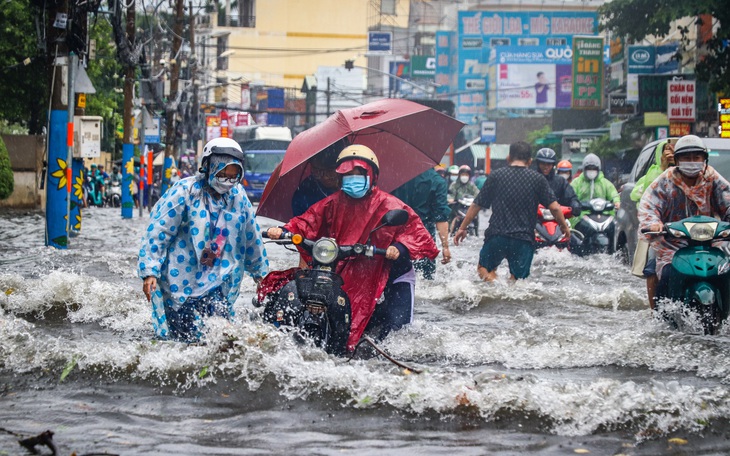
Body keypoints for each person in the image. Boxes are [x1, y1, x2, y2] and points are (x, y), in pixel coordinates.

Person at [266, 145, 439, 350]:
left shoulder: (392, 205)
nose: (352, 179)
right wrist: (283, 230)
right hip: (350, 269)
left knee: (397, 331)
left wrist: (398, 249)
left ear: (372, 175)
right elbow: (307, 222)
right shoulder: (331, 203)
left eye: (358, 174)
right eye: (347, 175)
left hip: (392, 274)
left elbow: (417, 235)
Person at [137, 137, 269, 342]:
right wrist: (150, 270)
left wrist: (261, 275)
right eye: (223, 172)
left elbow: (251, 236)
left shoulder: (238, 197)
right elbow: (159, 232)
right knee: (182, 343)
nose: (227, 179)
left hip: (217, 281)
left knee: (223, 338)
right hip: (180, 285)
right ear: (209, 166)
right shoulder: (185, 192)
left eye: (233, 175)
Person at [453, 141, 570, 282]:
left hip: (497, 236)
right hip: (524, 239)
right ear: (530, 161)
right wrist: (564, 227)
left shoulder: (496, 176)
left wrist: (462, 228)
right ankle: (507, 295)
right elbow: (555, 208)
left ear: (508, 158)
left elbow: (477, 204)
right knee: (518, 281)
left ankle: (496, 288)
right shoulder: (537, 179)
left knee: (484, 269)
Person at [638, 135, 730, 307]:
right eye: (686, 158)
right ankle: (660, 316)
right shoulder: (666, 181)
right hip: (671, 241)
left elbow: (727, 200)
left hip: (709, 241)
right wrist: (654, 224)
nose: (692, 161)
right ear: (678, 160)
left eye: (697, 157)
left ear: (704, 159)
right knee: (663, 274)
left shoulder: (712, 178)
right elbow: (649, 205)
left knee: (725, 269)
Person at [630, 140, 674, 309]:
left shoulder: (689, 173)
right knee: (652, 267)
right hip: (660, 229)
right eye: (666, 149)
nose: (670, 152)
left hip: (687, 227)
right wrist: (664, 167)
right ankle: (654, 310)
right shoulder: (654, 173)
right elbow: (650, 198)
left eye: (674, 149)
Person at [391, 167, 452, 280]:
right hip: (424, 237)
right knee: (427, 279)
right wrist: (445, 247)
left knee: (396, 277)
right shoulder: (437, 181)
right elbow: (441, 217)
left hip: (397, 236)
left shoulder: (395, 177)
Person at [291, 142, 344, 217]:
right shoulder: (304, 195)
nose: (325, 177)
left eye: (330, 171)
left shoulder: (353, 185)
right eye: (318, 171)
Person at [569, 153, 620, 230]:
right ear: (584, 169)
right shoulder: (577, 183)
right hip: (581, 217)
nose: (591, 171)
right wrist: (575, 205)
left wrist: (616, 202)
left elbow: (613, 194)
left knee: (613, 229)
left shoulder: (604, 183)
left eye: (594, 169)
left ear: (598, 169)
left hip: (603, 216)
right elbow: (570, 196)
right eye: (589, 169)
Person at [534, 148, 582, 219]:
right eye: (543, 164)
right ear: (538, 164)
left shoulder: (560, 181)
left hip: (558, 218)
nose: (546, 167)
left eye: (549, 164)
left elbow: (571, 197)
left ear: (553, 165)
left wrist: (575, 205)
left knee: (569, 229)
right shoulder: (532, 179)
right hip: (535, 220)